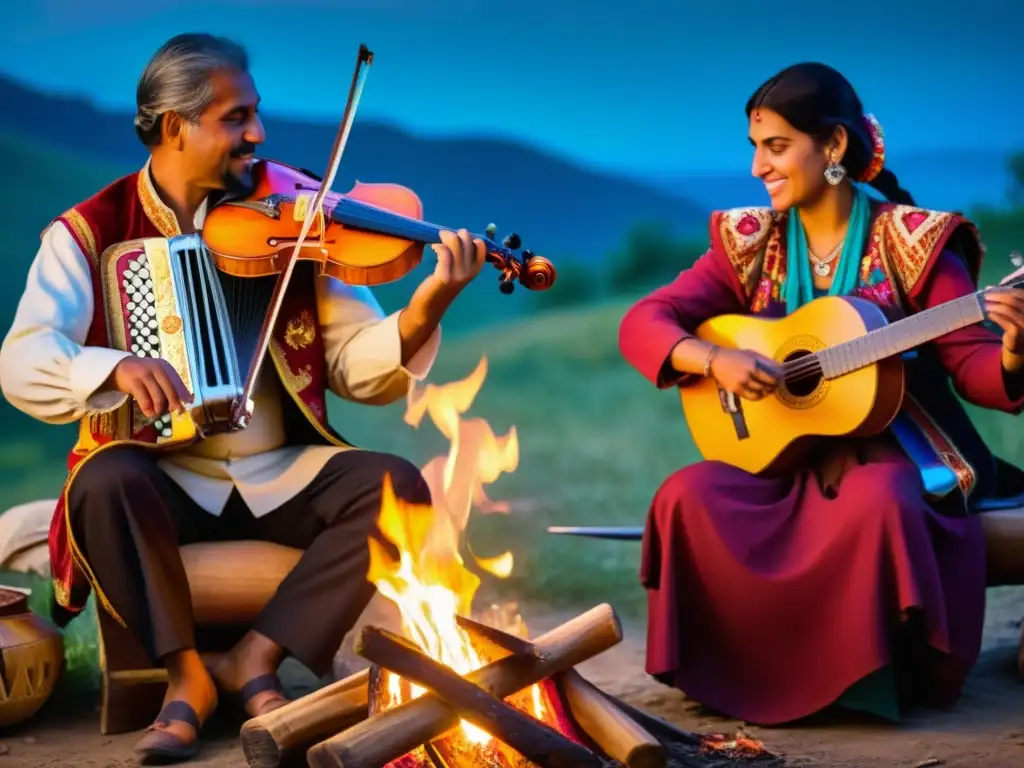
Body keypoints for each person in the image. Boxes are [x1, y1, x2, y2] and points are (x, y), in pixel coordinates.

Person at [0, 33, 488, 763]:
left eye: (255, 115)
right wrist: (110, 369)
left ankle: (255, 660)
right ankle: (185, 676)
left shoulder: (293, 213)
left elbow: (357, 367)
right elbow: (21, 359)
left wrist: (425, 309)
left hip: (279, 470)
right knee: (102, 482)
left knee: (398, 487)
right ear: (176, 127)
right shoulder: (90, 232)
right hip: (160, 478)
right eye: (236, 118)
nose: (258, 135)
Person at [618, 62, 1024, 727]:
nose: (757, 167)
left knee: (879, 504)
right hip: (784, 458)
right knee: (687, 494)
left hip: (897, 455)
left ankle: (866, 684)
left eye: (775, 147)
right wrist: (714, 359)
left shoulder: (916, 243)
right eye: (754, 147)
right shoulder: (748, 243)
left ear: (833, 147)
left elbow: (976, 370)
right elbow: (644, 322)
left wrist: (1014, 349)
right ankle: (734, 676)